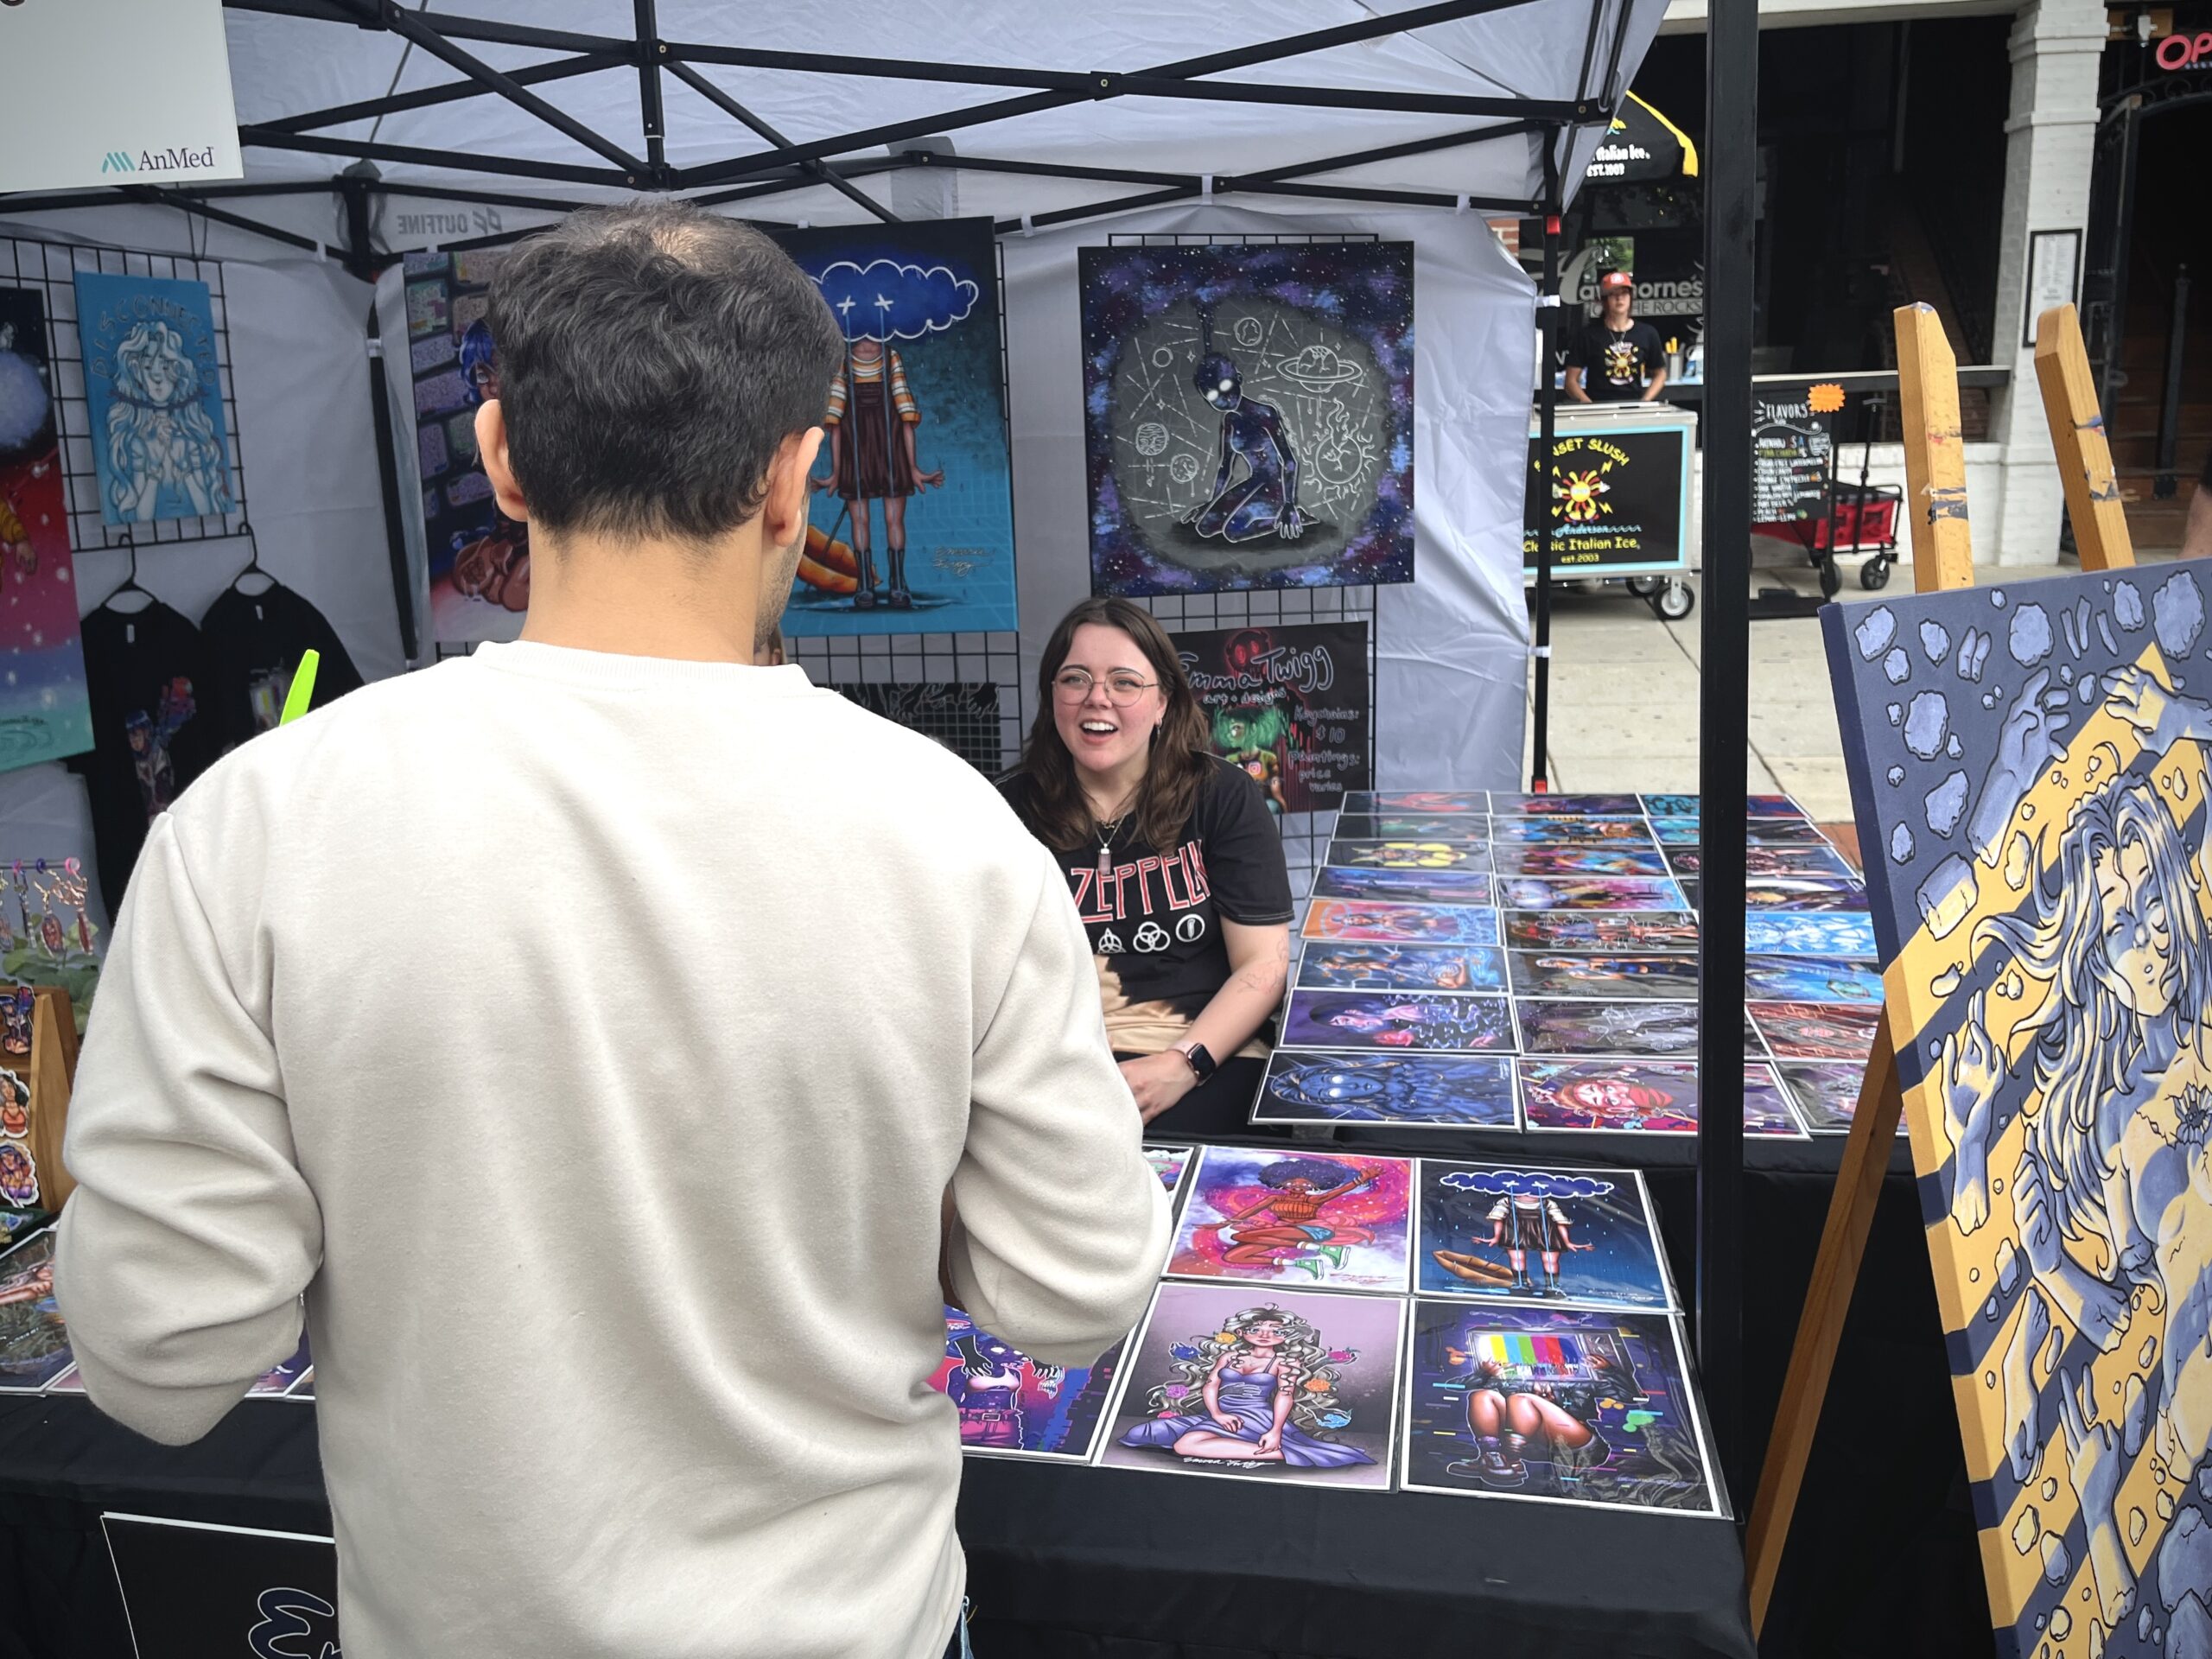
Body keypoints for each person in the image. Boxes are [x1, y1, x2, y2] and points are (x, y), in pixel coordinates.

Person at [53, 202, 1170, 1659]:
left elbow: (161, 1358)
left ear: (500, 456)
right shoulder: (954, 834)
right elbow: (1076, 1293)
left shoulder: (251, 826)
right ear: (798, 478)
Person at [1000, 596, 1293, 1136]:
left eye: (1125, 682)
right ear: (1052, 694)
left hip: (1207, 1054)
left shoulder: (1221, 796)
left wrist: (1183, 1065)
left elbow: (1263, 966)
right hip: (1051, 1065)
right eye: (1075, 679)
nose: (1097, 698)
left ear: (1163, 702)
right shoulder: (1001, 811)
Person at [1565, 270, 1669, 404]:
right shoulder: (1588, 335)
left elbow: (1660, 373)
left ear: (1631, 297)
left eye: (1624, 293)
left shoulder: (1647, 333)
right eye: (1613, 294)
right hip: (1598, 408)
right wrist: (1589, 405)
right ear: (1604, 300)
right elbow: (1570, 381)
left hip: (1634, 408)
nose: (1620, 298)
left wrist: (1644, 402)